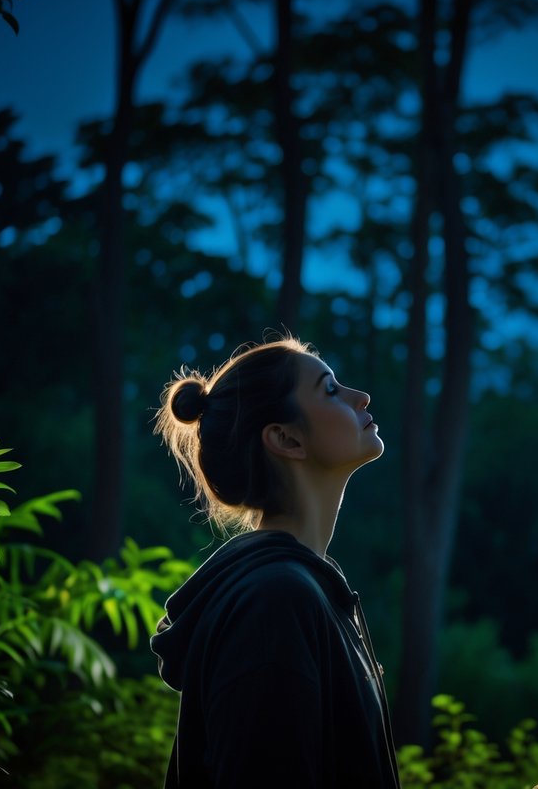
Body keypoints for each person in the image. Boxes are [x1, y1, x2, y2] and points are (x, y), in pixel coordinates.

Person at [150, 335, 400, 788]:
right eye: (330, 389)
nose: (360, 396)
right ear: (285, 438)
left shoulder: (307, 590)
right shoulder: (276, 601)